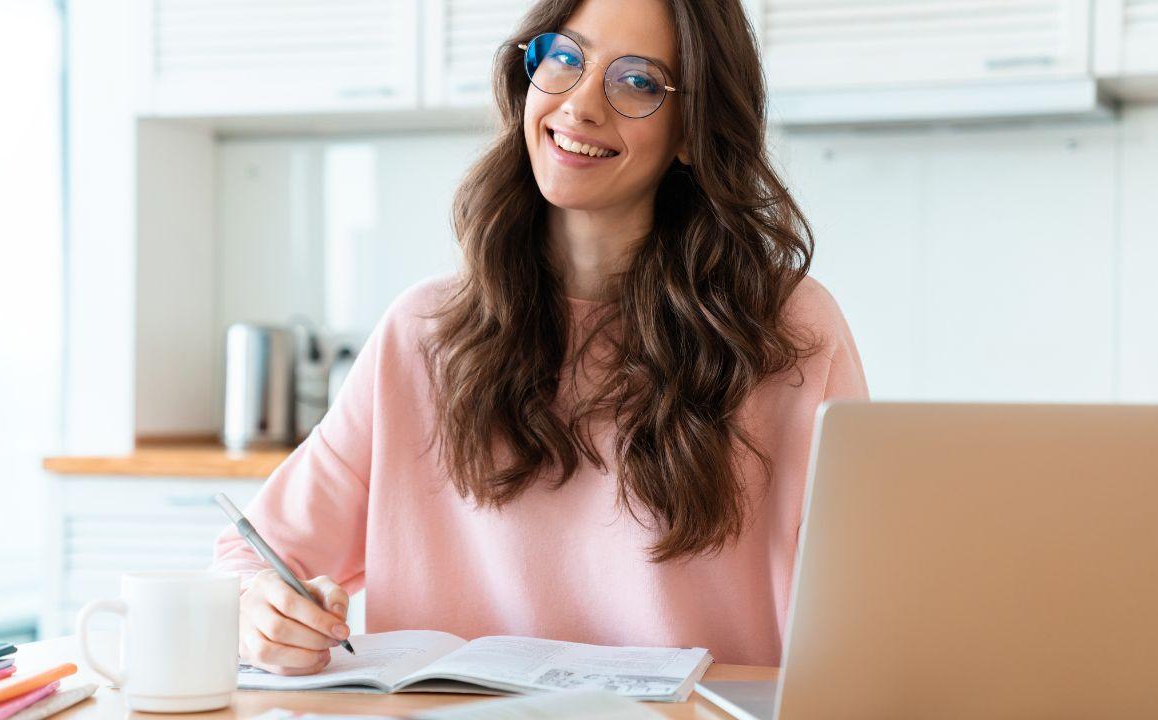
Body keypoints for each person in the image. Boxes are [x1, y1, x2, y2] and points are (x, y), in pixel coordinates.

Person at [211, 0, 868, 675]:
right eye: (564, 57)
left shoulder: (790, 333)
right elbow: (250, 562)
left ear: (691, 131)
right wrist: (257, 612)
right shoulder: (423, 335)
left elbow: (867, 615)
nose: (581, 105)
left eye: (637, 81)